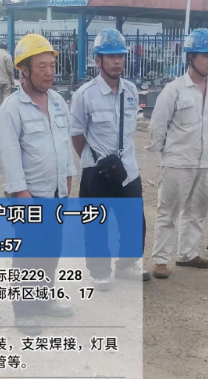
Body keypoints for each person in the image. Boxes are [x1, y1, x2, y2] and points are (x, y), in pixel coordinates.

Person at [0, 34, 77, 334]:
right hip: (28, 196)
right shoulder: (11, 108)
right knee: (28, 254)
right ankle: (24, 311)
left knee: (51, 250)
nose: (49, 72)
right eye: (41, 66)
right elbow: (10, 155)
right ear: (23, 70)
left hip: (56, 193)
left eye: (52, 66)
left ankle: (43, 299)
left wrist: (68, 178)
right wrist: (22, 193)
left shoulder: (57, 102)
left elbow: (64, 144)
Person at [71, 29, 149, 290]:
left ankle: (126, 265)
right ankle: (100, 272)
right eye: (111, 56)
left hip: (128, 169)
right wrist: (94, 160)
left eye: (121, 56)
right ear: (98, 60)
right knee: (96, 224)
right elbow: (77, 133)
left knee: (134, 221)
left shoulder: (131, 90)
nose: (117, 61)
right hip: (97, 170)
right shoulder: (85, 94)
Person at [149, 29, 208, 279]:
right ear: (191, 57)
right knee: (167, 212)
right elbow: (157, 126)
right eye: (205, 55)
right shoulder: (175, 89)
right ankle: (160, 260)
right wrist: (168, 154)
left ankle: (188, 253)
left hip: (204, 163)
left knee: (197, 210)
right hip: (178, 163)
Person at [0, 39, 14, 112]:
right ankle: (5, 112)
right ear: (6, 46)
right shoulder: (7, 56)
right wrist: (12, 80)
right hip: (6, 80)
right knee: (6, 96)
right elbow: (10, 70)